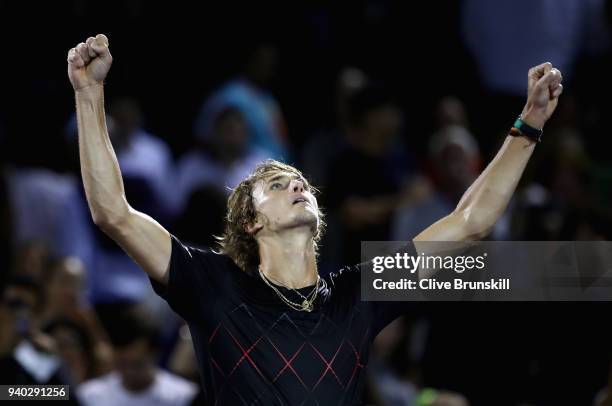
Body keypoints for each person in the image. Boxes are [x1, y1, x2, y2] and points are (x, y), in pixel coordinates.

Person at [67, 34, 563, 404]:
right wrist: (90, 97)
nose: (297, 186)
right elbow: (113, 213)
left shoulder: (357, 294)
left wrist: (529, 126)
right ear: (251, 223)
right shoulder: (211, 284)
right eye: (277, 186)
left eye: (299, 181)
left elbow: (470, 222)